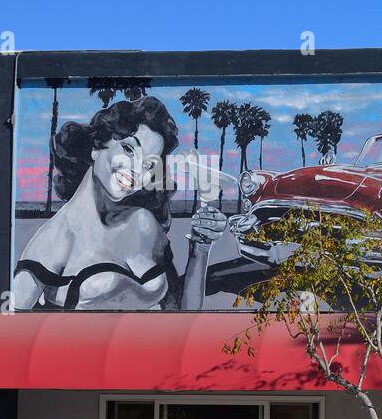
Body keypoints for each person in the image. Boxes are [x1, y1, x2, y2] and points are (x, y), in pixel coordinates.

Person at [12, 97, 226, 310]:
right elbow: (10, 332)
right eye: (129, 149)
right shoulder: (52, 241)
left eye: (149, 164)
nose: (137, 170)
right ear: (95, 148)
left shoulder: (144, 222)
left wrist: (200, 247)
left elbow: (180, 313)